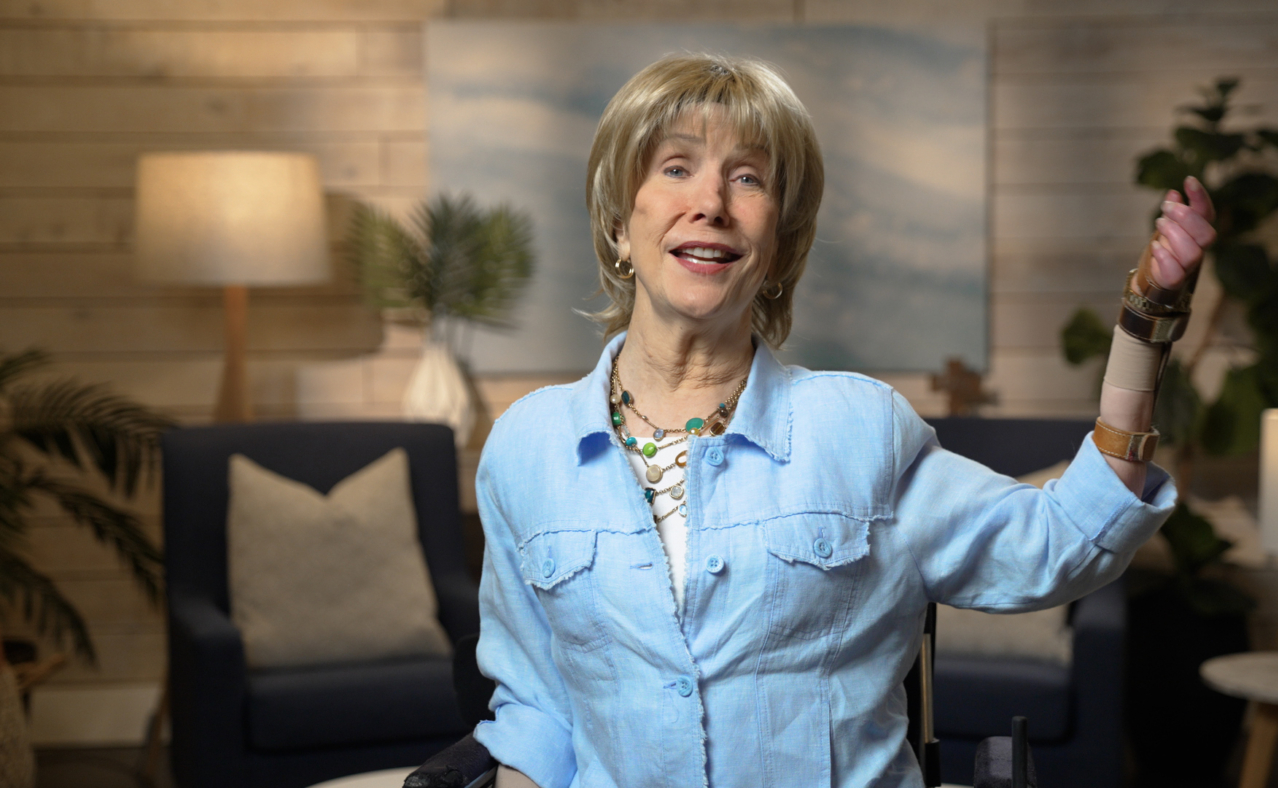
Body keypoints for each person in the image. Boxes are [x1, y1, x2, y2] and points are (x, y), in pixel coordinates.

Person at [470, 53, 1215, 788]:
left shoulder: (859, 430)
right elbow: (535, 712)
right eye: (675, 167)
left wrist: (1144, 327)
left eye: (747, 177)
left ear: (779, 243)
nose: (711, 202)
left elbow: (1064, 543)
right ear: (618, 225)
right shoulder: (527, 448)